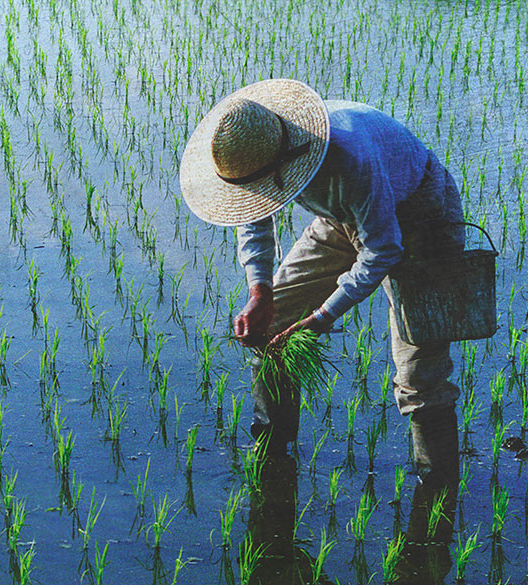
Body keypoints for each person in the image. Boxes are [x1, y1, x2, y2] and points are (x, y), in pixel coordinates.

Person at [179, 78, 464, 492]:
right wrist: (261, 290)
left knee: (420, 373)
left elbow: (383, 249)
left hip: (421, 216)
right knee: (272, 328)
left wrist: (322, 317)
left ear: (285, 162)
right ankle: (272, 451)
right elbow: (254, 214)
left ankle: (437, 490)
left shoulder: (350, 156)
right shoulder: (254, 155)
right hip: (341, 217)